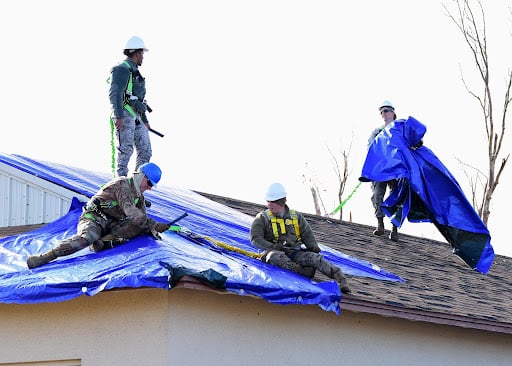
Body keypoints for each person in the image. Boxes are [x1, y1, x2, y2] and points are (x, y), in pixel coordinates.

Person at [26, 162, 170, 269]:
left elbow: (141, 219)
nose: (150, 187)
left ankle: (103, 243)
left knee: (140, 226)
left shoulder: (140, 198)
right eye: (149, 182)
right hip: (94, 217)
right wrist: (154, 224)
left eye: (152, 185)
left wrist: (154, 230)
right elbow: (132, 213)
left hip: (110, 224)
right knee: (87, 238)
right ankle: (45, 257)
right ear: (141, 176)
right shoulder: (123, 185)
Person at [250, 182, 351, 294]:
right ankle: (301, 272)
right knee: (274, 258)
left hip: (295, 252)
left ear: (282, 201)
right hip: (274, 253)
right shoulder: (262, 218)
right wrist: (273, 246)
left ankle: (341, 279)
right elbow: (255, 239)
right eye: (268, 201)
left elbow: (307, 234)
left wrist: (313, 247)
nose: (270, 204)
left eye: (273, 201)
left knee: (315, 259)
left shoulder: (296, 217)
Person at [109, 35, 152, 178]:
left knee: (145, 150)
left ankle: (136, 184)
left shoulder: (136, 73)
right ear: (136, 53)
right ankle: (119, 184)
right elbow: (115, 93)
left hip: (137, 117)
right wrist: (118, 116)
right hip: (125, 114)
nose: (143, 57)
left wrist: (145, 121)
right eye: (141, 54)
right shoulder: (121, 69)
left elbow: (140, 100)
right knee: (125, 151)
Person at [368, 100, 399, 241]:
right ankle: (380, 224)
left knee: (397, 197)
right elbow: (371, 147)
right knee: (377, 195)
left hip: (397, 170)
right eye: (381, 112)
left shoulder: (400, 129)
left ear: (392, 112)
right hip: (381, 169)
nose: (383, 114)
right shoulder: (378, 132)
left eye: (386, 111)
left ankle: (394, 228)